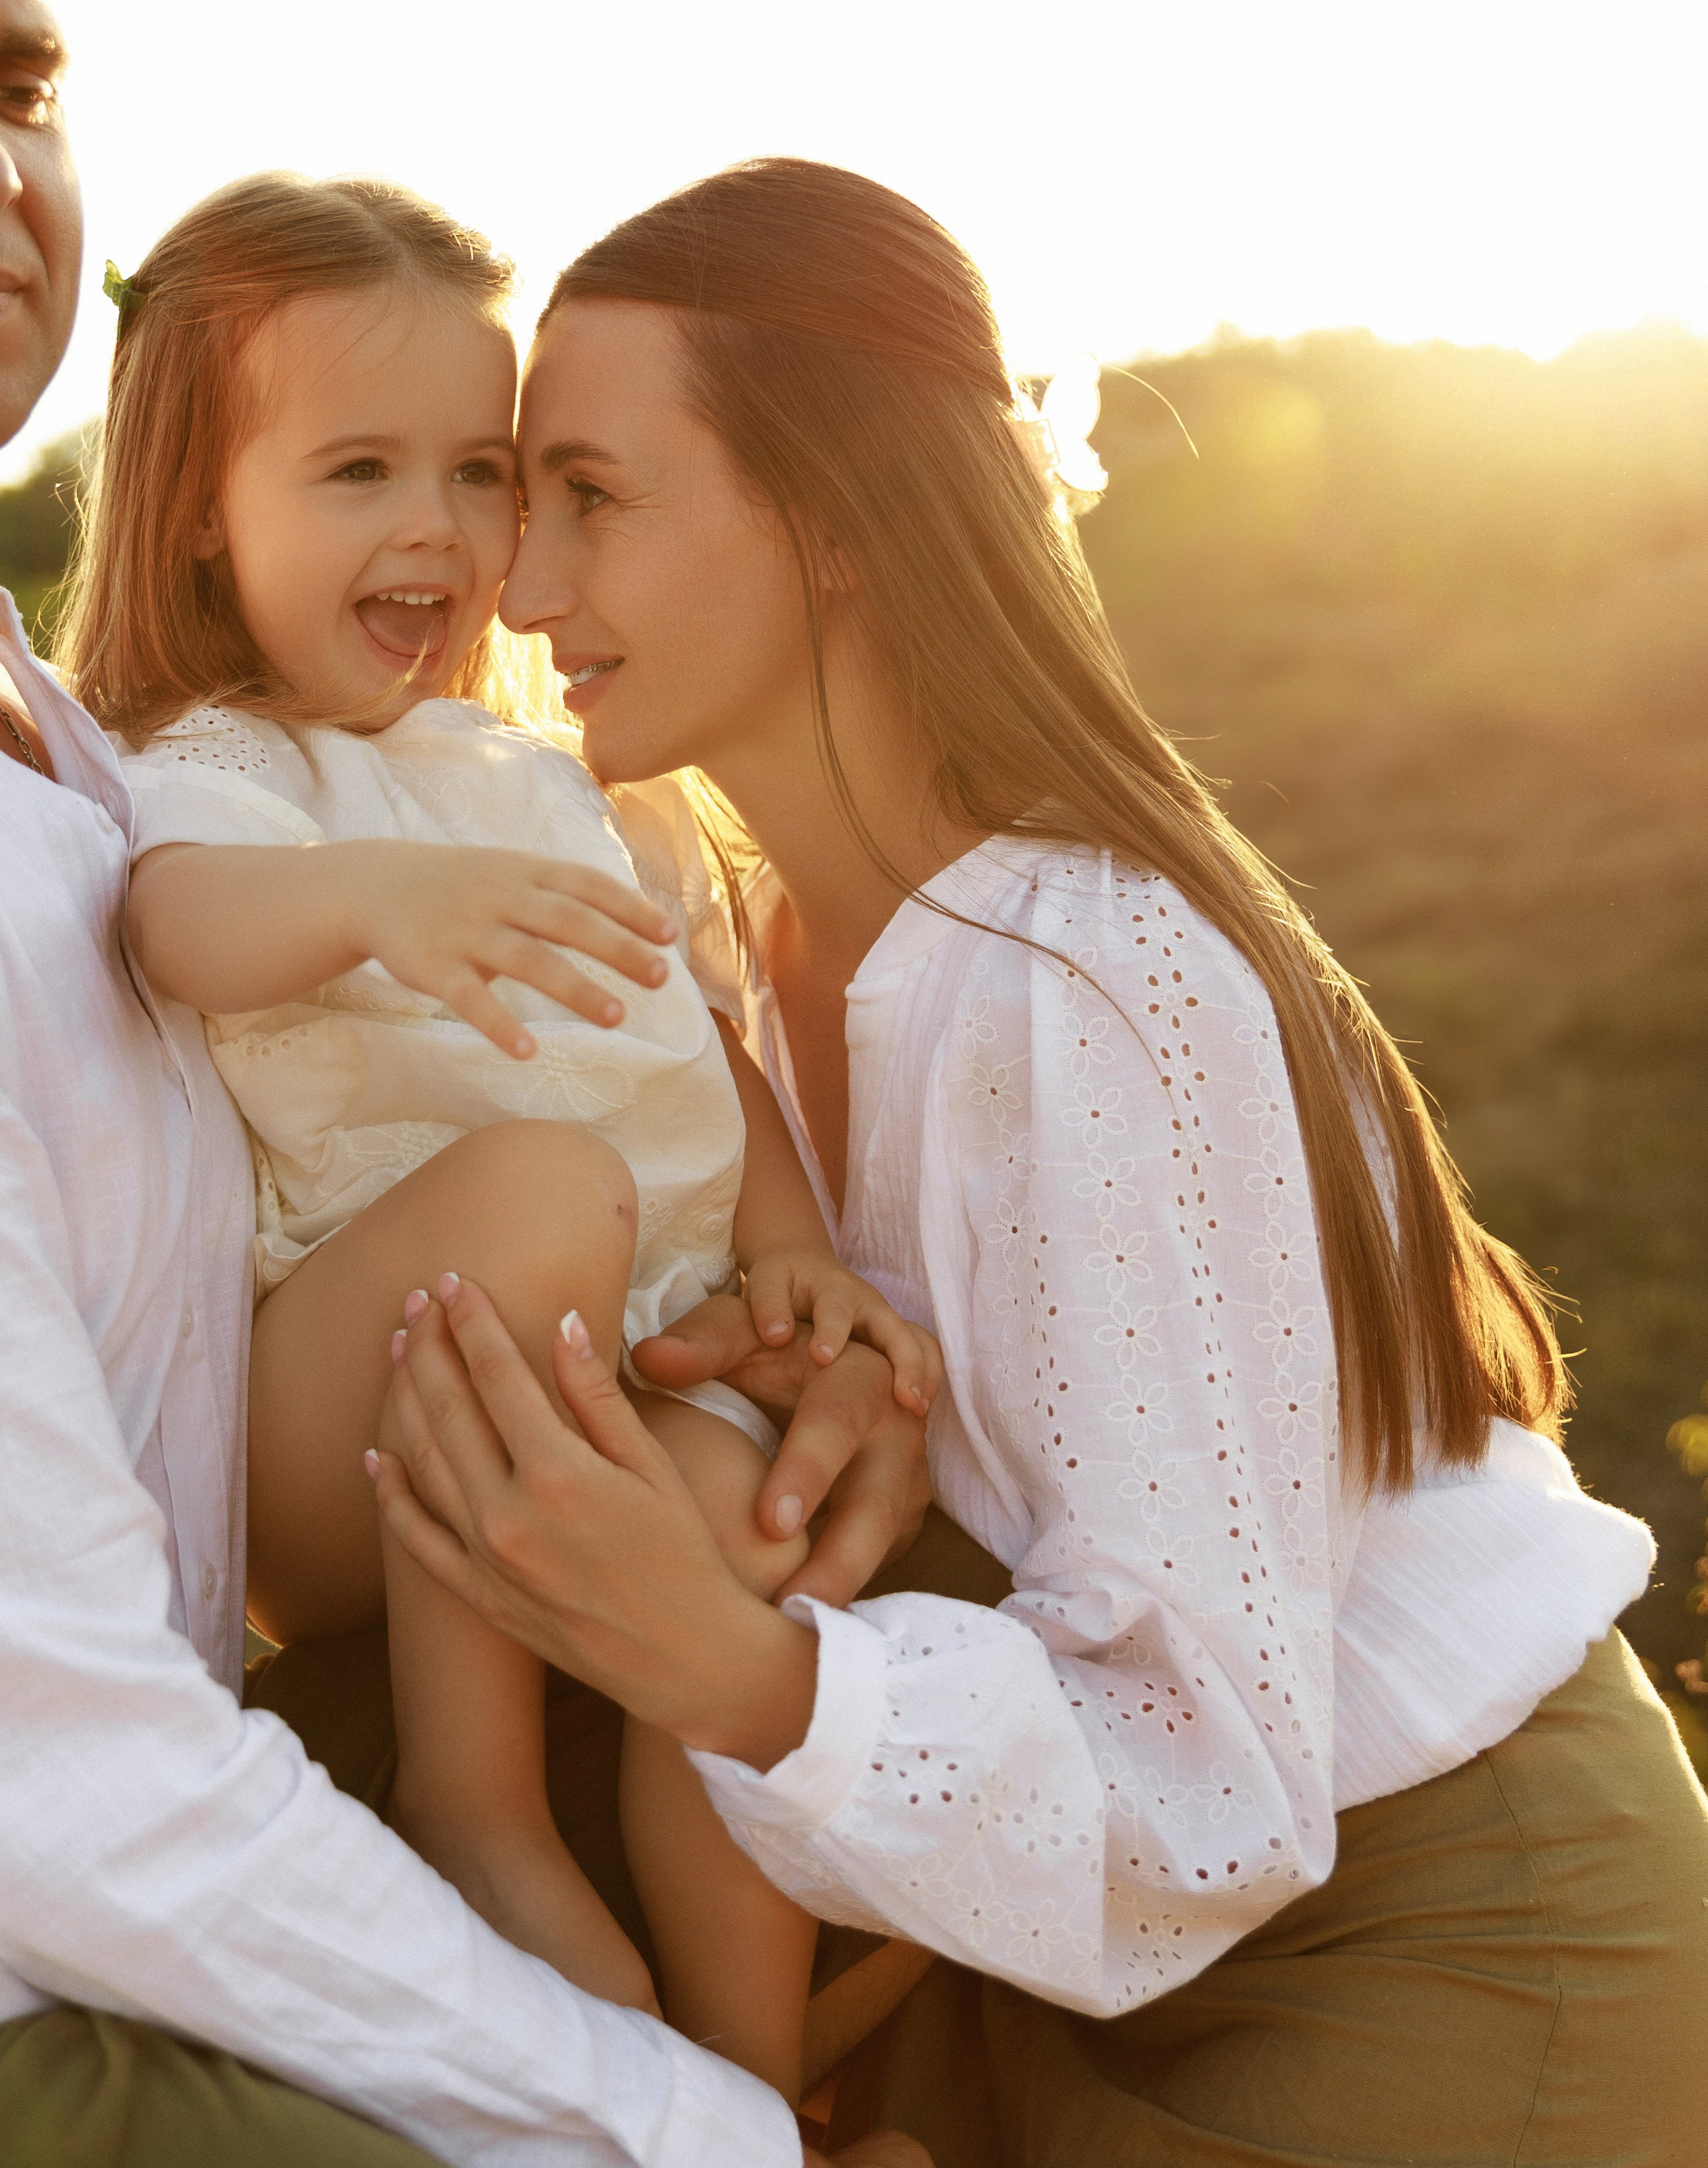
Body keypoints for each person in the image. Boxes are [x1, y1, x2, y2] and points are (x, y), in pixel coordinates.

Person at [370, 158, 1708, 2165]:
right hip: (1041, 1919)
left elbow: (1215, 1783)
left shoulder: (1093, 976)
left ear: (829, 521)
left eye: (593, 497)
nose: (525, 588)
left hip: (1448, 1934)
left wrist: (731, 1656)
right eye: (517, 500)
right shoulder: (706, 945)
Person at [0, 33, 928, 2159]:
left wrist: (794, 1262)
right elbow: (169, 935)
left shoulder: (564, 784)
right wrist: (372, 896)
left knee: (738, 1563)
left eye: (481, 468)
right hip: (351, 1418)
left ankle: (752, 2082)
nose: (434, 526)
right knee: (530, 1189)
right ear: (204, 522)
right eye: (354, 472)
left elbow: (701, 1047)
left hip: (621, 1370)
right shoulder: (210, 773)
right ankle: (472, 1791)